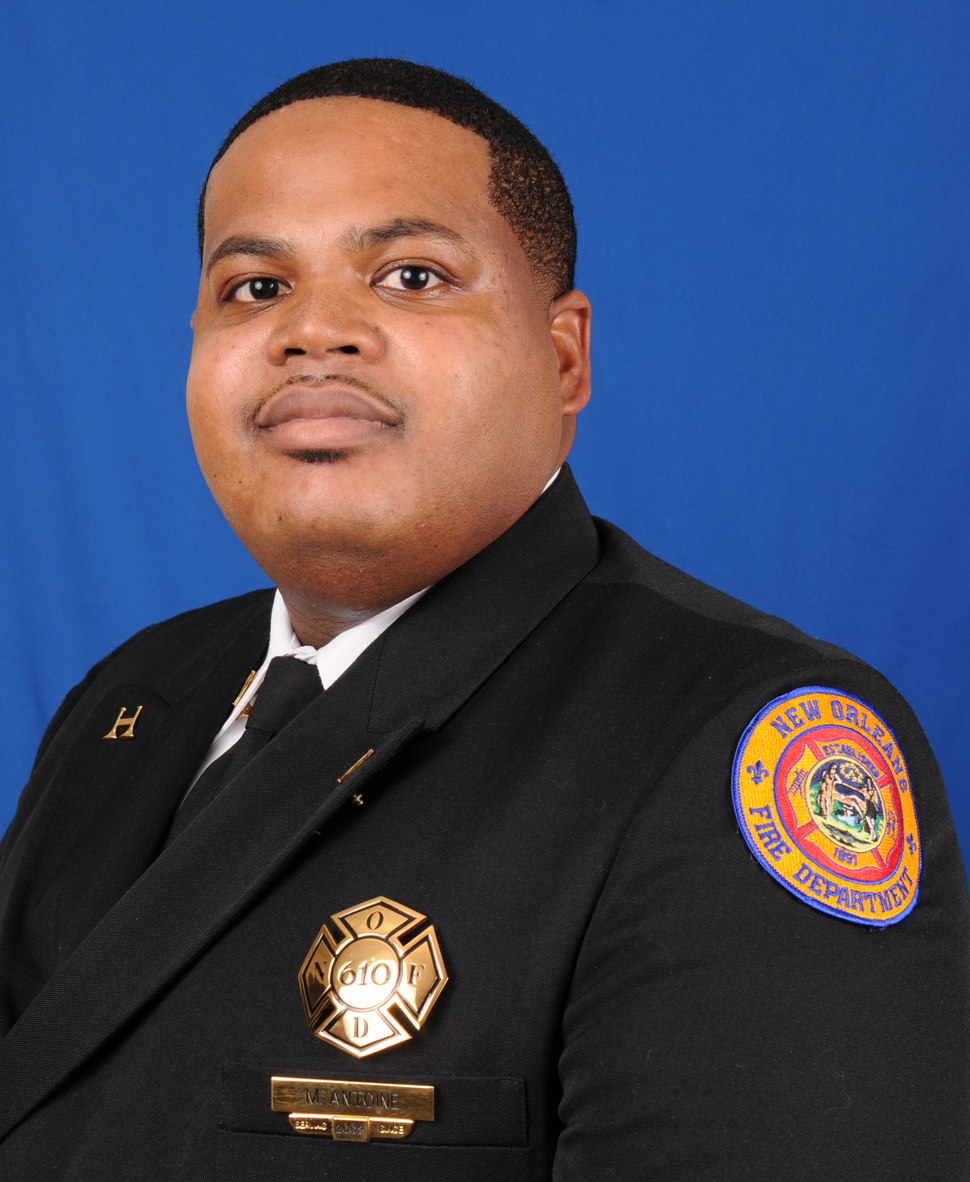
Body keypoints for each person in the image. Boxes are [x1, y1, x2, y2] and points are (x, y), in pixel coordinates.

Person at [0, 58, 966, 1181]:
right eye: (255, 288)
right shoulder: (134, 695)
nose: (315, 332)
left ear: (562, 358)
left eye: (409, 275)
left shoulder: (737, 743)